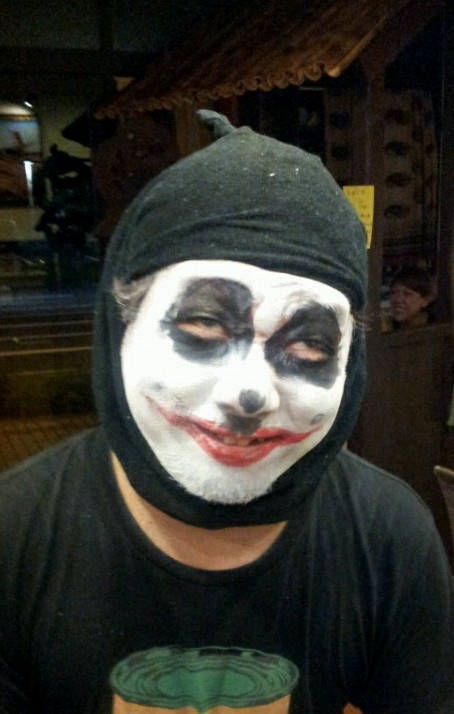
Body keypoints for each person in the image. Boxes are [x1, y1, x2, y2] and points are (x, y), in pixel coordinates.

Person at [0, 111, 453, 714]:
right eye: (203, 328)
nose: (250, 394)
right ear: (121, 326)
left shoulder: (390, 538)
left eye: (309, 348)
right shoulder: (15, 535)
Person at [389, 264, 435, 329]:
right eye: (393, 292)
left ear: (425, 300)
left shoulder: (438, 326)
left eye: (407, 294)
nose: (398, 300)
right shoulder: (388, 327)